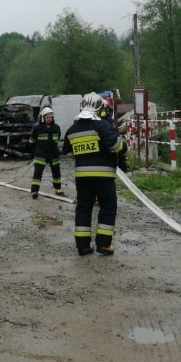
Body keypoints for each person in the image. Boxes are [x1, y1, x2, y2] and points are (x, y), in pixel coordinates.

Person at [61, 92, 127, 256]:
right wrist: (122, 145)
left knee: (83, 208)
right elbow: (117, 145)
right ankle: (103, 245)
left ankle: (83, 246)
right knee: (107, 207)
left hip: (82, 177)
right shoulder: (102, 126)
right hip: (103, 176)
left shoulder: (72, 129)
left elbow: (67, 152)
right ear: (99, 108)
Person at [29, 106, 63, 198]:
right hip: (41, 154)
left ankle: (58, 189)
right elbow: (32, 141)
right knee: (37, 173)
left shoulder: (56, 128)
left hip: (54, 154)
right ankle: (34, 191)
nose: (49, 119)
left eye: (50, 117)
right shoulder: (37, 128)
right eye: (47, 117)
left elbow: (57, 140)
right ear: (43, 118)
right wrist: (35, 152)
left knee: (56, 172)